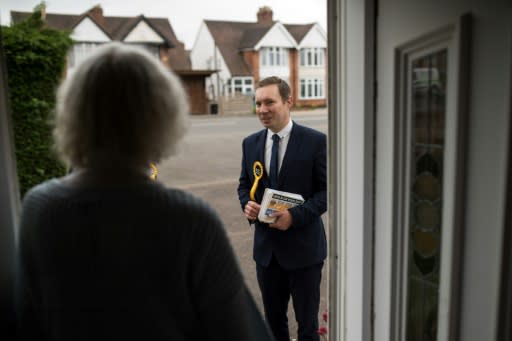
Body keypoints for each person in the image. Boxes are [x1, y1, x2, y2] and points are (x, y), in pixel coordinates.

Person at [16, 42, 274, 341]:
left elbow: (28, 321)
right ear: (164, 117)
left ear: (72, 115)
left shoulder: (39, 208)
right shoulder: (190, 220)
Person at [237, 76, 327, 341]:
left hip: (305, 252)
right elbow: (244, 185)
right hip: (267, 253)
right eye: (258, 103)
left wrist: (294, 217)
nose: (262, 109)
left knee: (307, 327)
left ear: (289, 102)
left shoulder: (315, 141)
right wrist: (248, 206)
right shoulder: (250, 143)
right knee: (273, 326)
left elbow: (327, 192)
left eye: (269, 102)